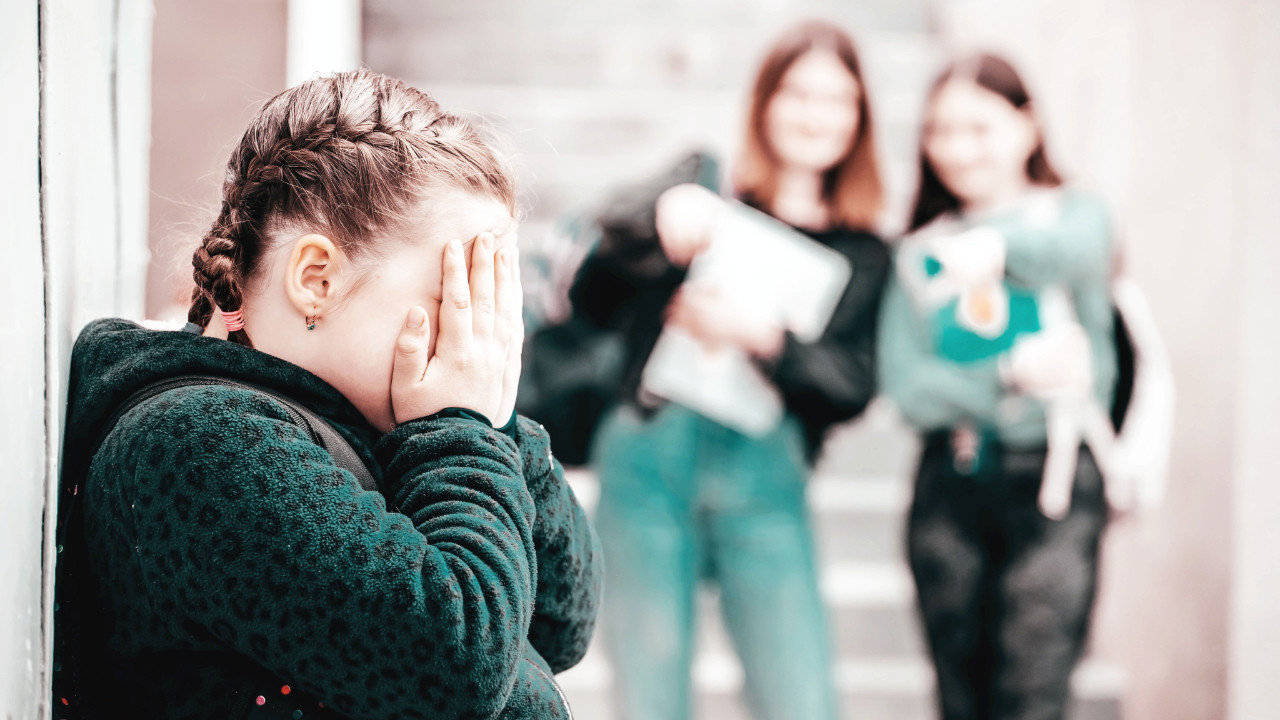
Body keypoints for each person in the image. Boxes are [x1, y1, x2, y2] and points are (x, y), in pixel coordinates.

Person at [52, 69, 601, 720]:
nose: (475, 339)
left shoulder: (382, 423)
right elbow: (456, 667)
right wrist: (463, 429)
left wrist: (495, 422)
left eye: (490, 307)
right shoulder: (197, 442)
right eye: (455, 300)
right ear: (316, 279)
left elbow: (560, 621)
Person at [568, 21, 891, 720]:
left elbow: (853, 387)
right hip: (649, 458)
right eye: (798, 93)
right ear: (765, 101)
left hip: (766, 478)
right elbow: (591, 292)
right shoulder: (704, 187)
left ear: (860, 117)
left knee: (801, 701)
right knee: (651, 701)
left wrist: (763, 338)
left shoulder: (864, 250)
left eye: (837, 99)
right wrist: (660, 214)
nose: (815, 114)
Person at [877, 54, 1116, 720]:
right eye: (940, 130)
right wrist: (1007, 376)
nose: (957, 149)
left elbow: (1084, 252)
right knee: (962, 698)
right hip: (952, 484)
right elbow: (907, 388)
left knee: (1034, 694)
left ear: (1027, 126)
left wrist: (998, 251)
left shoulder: (1075, 216)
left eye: (978, 128)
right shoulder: (920, 250)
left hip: (1056, 482)